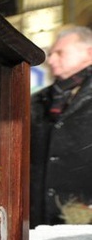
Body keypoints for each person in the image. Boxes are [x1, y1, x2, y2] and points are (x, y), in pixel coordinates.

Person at [30, 25, 92, 228]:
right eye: (50, 54)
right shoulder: (39, 99)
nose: (51, 59)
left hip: (84, 222)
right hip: (38, 220)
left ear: (89, 52)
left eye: (59, 53)